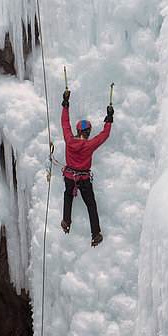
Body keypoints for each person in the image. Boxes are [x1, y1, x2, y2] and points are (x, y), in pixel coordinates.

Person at [53, 89, 113, 247]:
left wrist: (65, 104)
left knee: (68, 196)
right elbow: (104, 135)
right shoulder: (90, 144)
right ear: (87, 132)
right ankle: (96, 233)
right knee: (91, 205)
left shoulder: (69, 140)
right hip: (84, 179)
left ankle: (66, 221)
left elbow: (65, 124)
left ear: (78, 131)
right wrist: (109, 119)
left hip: (70, 176)